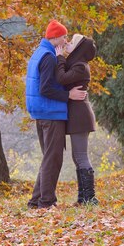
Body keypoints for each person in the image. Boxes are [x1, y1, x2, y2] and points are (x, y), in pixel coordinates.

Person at [26, 20, 87, 209]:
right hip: (50, 113)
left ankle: (36, 200)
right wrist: (68, 95)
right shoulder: (49, 57)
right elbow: (45, 88)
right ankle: (47, 202)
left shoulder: (39, 52)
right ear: (54, 38)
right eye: (63, 36)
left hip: (41, 112)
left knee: (48, 158)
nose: (65, 39)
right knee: (53, 159)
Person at [55, 34, 99, 205]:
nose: (67, 43)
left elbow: (62, 78)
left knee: (81, 156)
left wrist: (59, 57)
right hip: (77, 116)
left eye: (72, 42)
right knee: (77, 157)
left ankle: (90, 197)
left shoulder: (80, 66)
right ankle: (83, 198)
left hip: (80, 117)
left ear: (79, 48)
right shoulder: (76, 64)